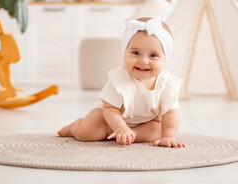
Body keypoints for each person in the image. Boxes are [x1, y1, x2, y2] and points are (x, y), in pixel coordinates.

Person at [58, 16, 185, 148]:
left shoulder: (167, 84)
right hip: (109, 118)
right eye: (136, 53)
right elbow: (110, 108)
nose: (143, 61)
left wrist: (168, 136)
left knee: (158, 129)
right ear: (124, 52)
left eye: (153, 55)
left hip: (145, 123)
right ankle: (75, 126)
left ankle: (132, 134)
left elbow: (171, 113)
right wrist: (119, 127)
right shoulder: (120, 79)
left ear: (165, 59)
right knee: (88, 132)